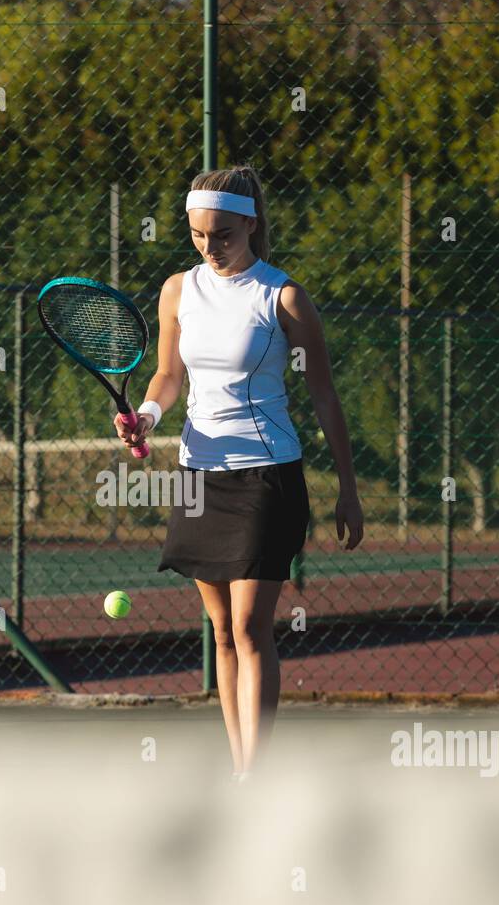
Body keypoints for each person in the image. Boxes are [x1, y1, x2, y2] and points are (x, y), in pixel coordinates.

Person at [114, 164, 363, 777]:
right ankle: (239, 768)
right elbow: (168, 376)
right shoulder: (178, 290)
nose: (209, 246)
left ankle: (257, 773)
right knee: (222, 632)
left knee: (251, 629)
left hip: (265, 477)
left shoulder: (283, 297)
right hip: (200, 476)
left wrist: (348, 489)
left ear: (250, 224)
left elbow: (324, 395)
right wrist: (147, 417)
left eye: (222, 234)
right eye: (198, 235)